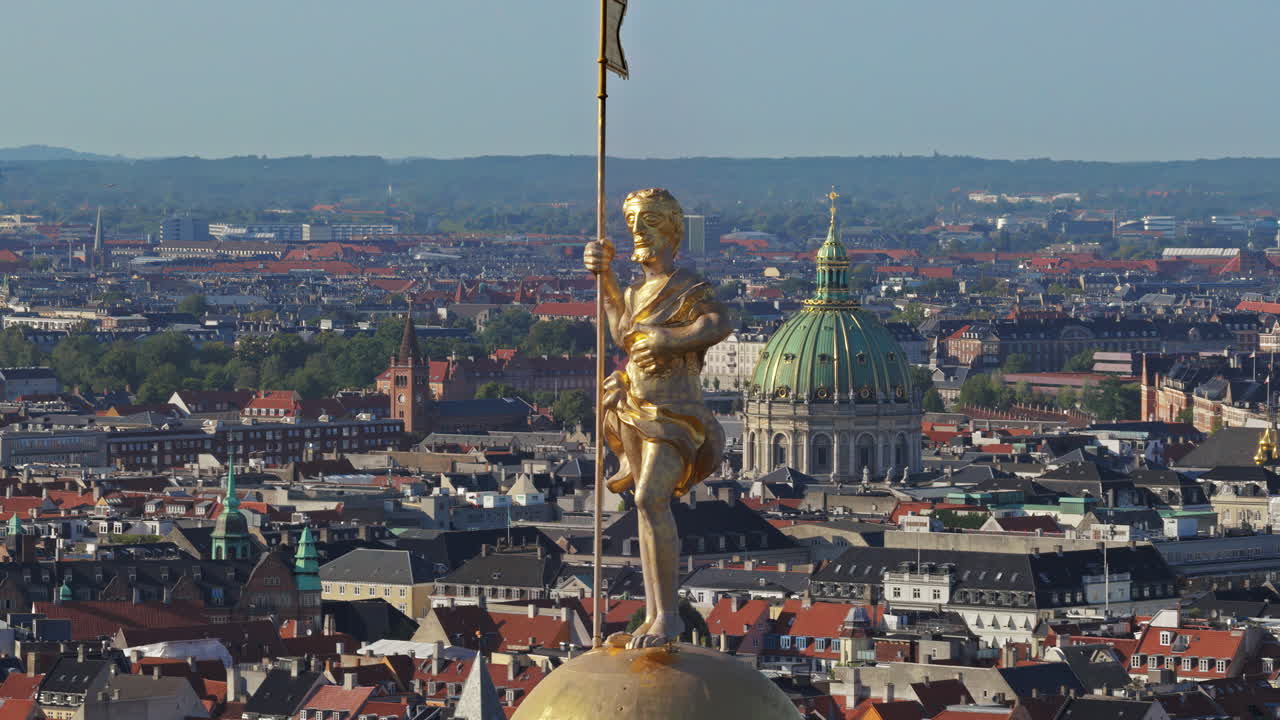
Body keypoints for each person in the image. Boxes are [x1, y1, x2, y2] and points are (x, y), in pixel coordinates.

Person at [583, 187, 732, 648]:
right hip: (634, 405)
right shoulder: (634, 288)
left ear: (671, 230)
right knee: (645, 509)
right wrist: (606, 279)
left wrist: (671, 339)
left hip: (677, 413)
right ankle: (655, 614)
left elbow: (717, 323)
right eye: (633, 223)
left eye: (648, 222)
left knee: (650, 500)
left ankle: (668, 614)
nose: (638, 232)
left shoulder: (687, 284)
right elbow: (621, 330)